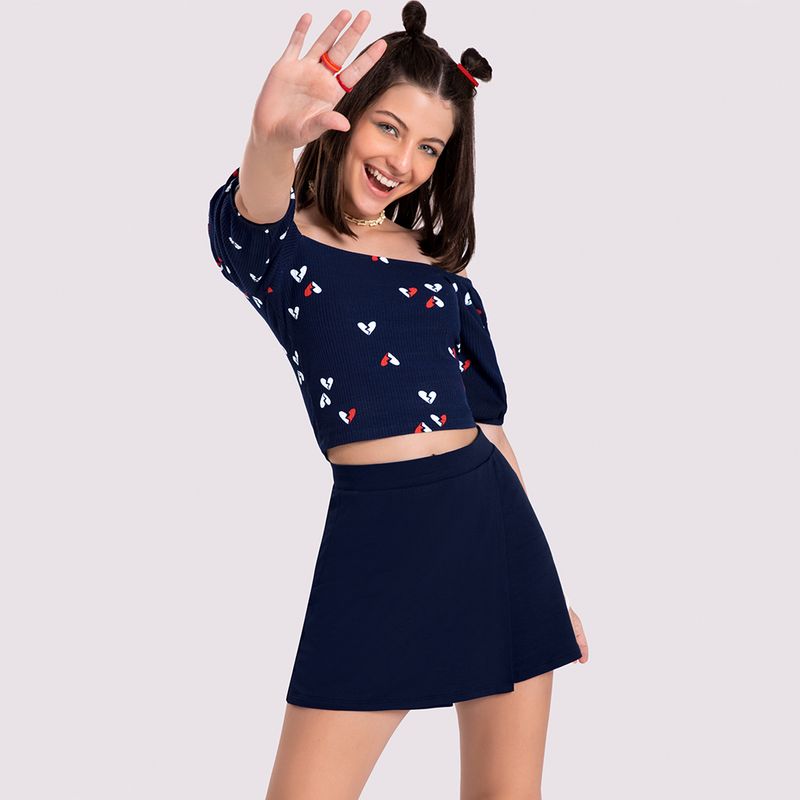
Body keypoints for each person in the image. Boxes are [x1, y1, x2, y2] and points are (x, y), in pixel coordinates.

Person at [207, 3, 589, 797]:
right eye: (388, 127)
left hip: (495, 536)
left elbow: (487, 430)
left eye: (429, 147)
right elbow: (256, 207)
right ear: (344, 115)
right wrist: (269, 140)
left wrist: (549, 589)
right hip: (378, 540)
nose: (402, 161)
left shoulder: (439, 274)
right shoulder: (282, 249)